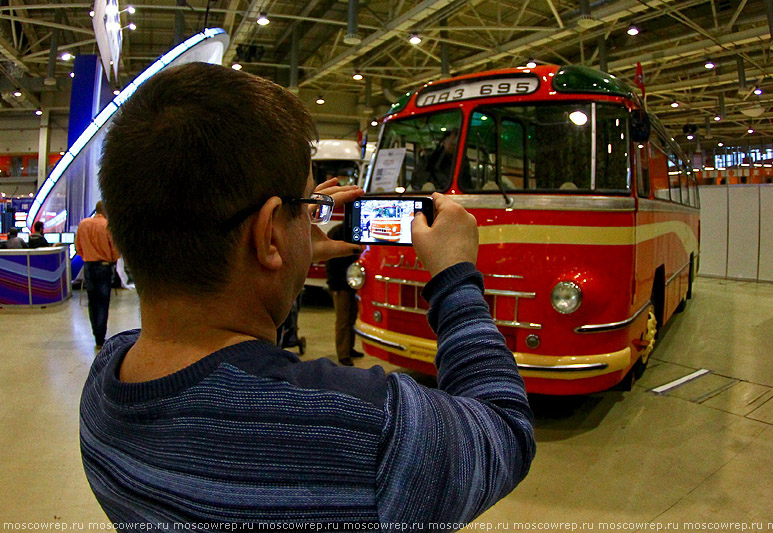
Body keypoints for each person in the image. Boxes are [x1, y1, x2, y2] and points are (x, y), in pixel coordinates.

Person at [80, 63, 534, 529]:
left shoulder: (101, 389)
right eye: (306, 205)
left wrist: (284, 250)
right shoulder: (366, 429)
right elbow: (503, 429)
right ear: (268, 235)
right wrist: (456, 277)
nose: (314, 215)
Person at [75, 201, 120, 349]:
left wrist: (87, 256)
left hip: (88, 265)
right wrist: (113, 259)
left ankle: (96, 333)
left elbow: (78, 247)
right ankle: (101, 337)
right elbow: (114, 249)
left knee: (92, 301)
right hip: (104, 267)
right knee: (103, 302)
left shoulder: (83, 224)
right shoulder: (108, 226)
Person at [325, 223, 363, 366]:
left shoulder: (352, 233)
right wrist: (334, 285)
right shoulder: (336, 234)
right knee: (343, 320)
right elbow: (331, 263)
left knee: (351, 317)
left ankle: (349, 348)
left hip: (352, 285)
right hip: (340, 285)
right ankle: (343, 353)